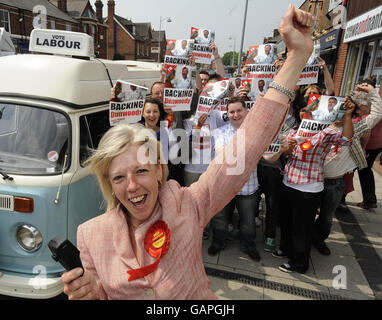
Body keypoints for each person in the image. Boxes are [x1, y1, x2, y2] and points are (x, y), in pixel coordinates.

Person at [60, 5, 315, 299]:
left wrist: (297, 56)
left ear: (159, 170)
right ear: (109, 184)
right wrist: (96, 294)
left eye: (141, 170)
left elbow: (246, 148)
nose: (131, 186)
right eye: (118, 177)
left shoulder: (189, 206)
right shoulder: (90, 236)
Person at [273, 98, 354, 274]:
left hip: (309, 187)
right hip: (288, 182)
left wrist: (347, 116)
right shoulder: (295, 130)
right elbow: (285, 154)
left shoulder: (327, 132)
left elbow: (347, 141)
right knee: (287, 222)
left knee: (302, 227)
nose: (306, 113)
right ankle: (286, 249)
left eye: (310, 110)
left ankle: (299, 263)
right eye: (304, 110)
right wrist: (287, 147)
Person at [209, 97, 261, 261]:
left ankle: (248, 245)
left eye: (239, 110)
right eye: (231, 111)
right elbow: (222, 155)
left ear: (247, 111)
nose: (235, 114)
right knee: (219, 218)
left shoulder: (257, 132)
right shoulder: (219, 132)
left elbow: (259, 155)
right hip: (224, 185)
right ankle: (218, 242)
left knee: (248, 221)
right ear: (227, 114)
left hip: (248, 186)